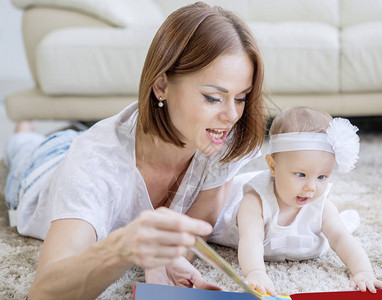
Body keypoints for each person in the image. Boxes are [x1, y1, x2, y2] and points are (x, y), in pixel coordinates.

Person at [3, 2, 266, 299]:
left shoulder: (222, 139)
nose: (232, 115)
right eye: (213, 97)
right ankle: (24, 134)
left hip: (94, 143)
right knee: (24, 151)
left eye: (241, 98)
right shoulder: (94, 163)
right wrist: (120, 247)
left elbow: (197, 230)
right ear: (161, 85)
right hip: (43, 168)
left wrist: (166, 265)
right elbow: (43, 292)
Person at [209, 106, 382, 295]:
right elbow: (251, 238)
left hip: (305, 239)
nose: (311, 187)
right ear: (273, 166)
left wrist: (363, 272)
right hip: (243, 224)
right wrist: (255, 272)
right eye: (301, 174)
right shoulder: (255, 201)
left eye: (322, 177)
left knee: (340, 227)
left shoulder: (320, 206)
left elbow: (340, 238)